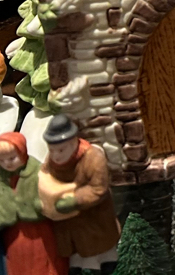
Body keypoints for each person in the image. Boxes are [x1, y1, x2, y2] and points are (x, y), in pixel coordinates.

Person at [37, 114, 120, 270]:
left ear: (73, 142)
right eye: (51, 150)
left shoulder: (93, 157)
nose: (55, 155)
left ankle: (105, 261)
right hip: (67, 222)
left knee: (97, 245)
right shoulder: (51, 160)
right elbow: (45, 174)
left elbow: (98, 189)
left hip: (93, 214)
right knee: (75, 248)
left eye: (61, 150)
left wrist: (75, 200)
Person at [0, 131, 67, 275]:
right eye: (1, 160)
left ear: (22, 153)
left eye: (12, 158)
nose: (7, 163)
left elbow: (51, 192)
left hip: (40, 227)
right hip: (13, 232)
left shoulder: (37, 171)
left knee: (45, 256)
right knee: (18, 259)